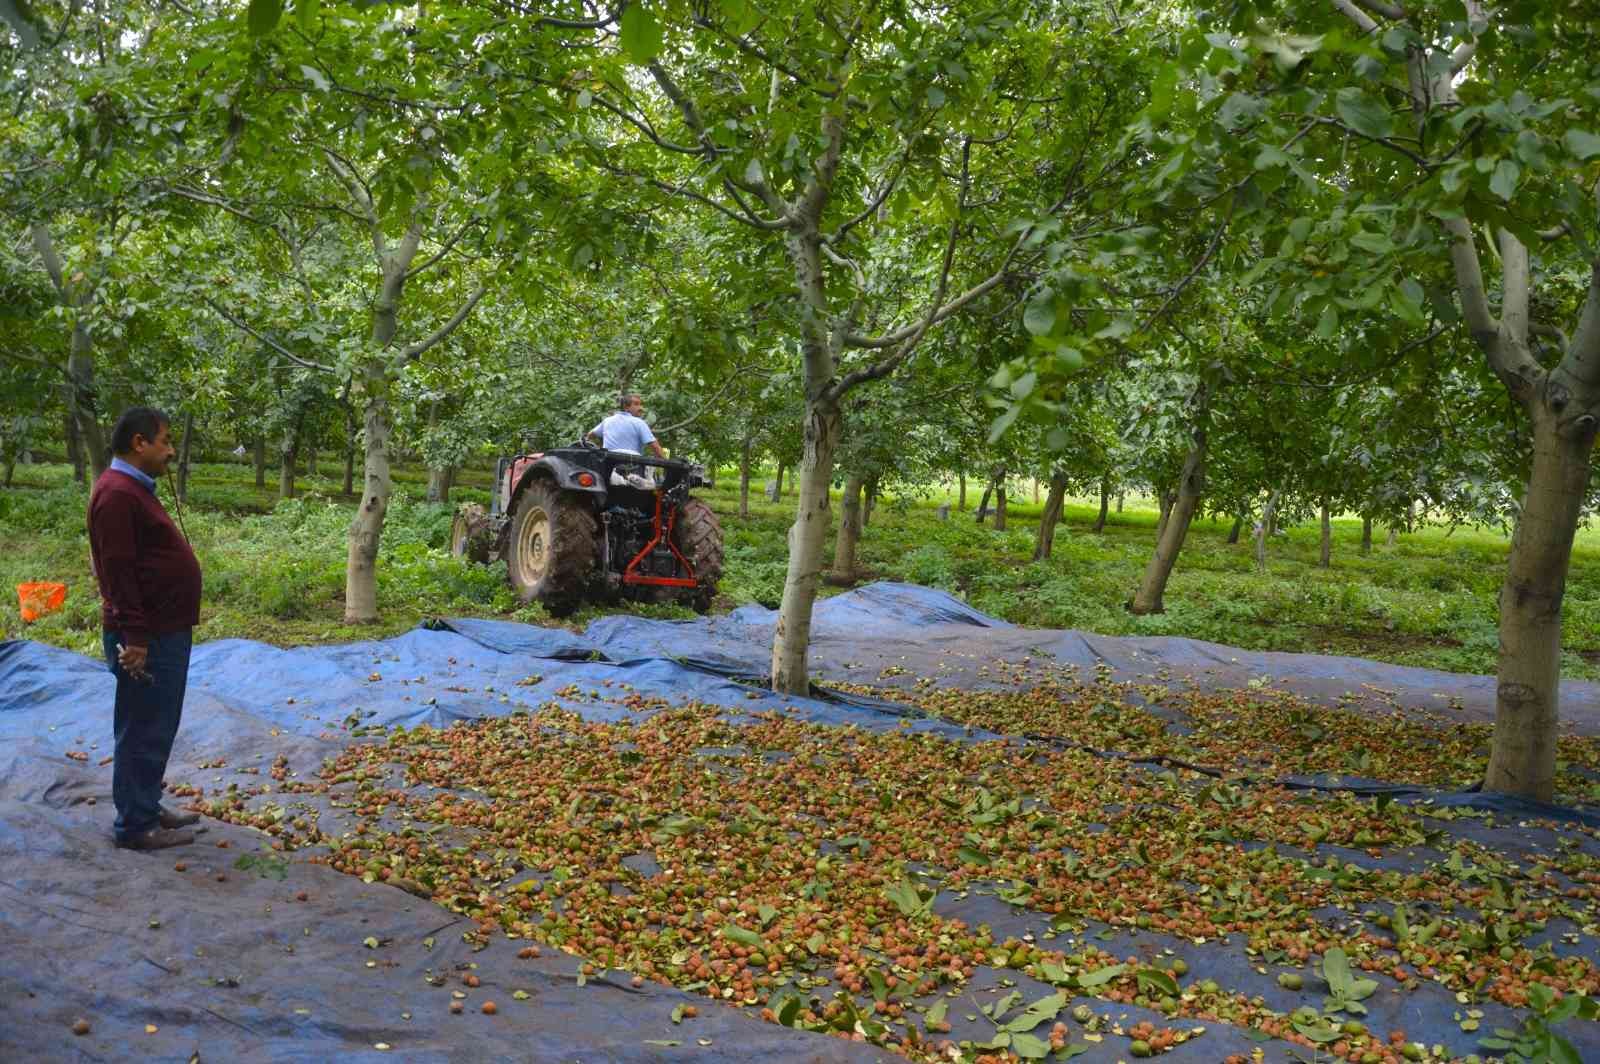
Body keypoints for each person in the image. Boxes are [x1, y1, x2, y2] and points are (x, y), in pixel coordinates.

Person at [88, 407, 205, 851]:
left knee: (157, 723)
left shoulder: (132, 490)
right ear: (140, 443)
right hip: (147, 636)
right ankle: (135, 825)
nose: (171, 450)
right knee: (142, 726)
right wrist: (134, 638)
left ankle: (146, 804)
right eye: (165, 441)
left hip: (162, 630)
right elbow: (118, 573)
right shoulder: (118, 494)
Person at [586, 393, 665, 489]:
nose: (640, 408)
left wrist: (595, 447)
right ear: (626, 407)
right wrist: (667, 465)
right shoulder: (639, 423)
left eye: (640, 404)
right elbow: (655, 447)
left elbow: (589, 436)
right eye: (636, 404)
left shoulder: (607, 421)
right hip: (633, 466)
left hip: (608, 466)